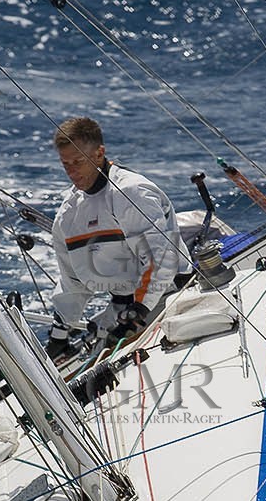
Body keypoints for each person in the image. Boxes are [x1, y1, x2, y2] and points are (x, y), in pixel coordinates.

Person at [45, 116, 186, 361]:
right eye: (65, 163)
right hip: (123, 311)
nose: (72, 171)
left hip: (168, 300)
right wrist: (59, 334)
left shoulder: (131, 192)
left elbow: (160, 261)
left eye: (78, 161)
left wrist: (139, 311)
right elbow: (72, 279)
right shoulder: (68, 215)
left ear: (99, 153)